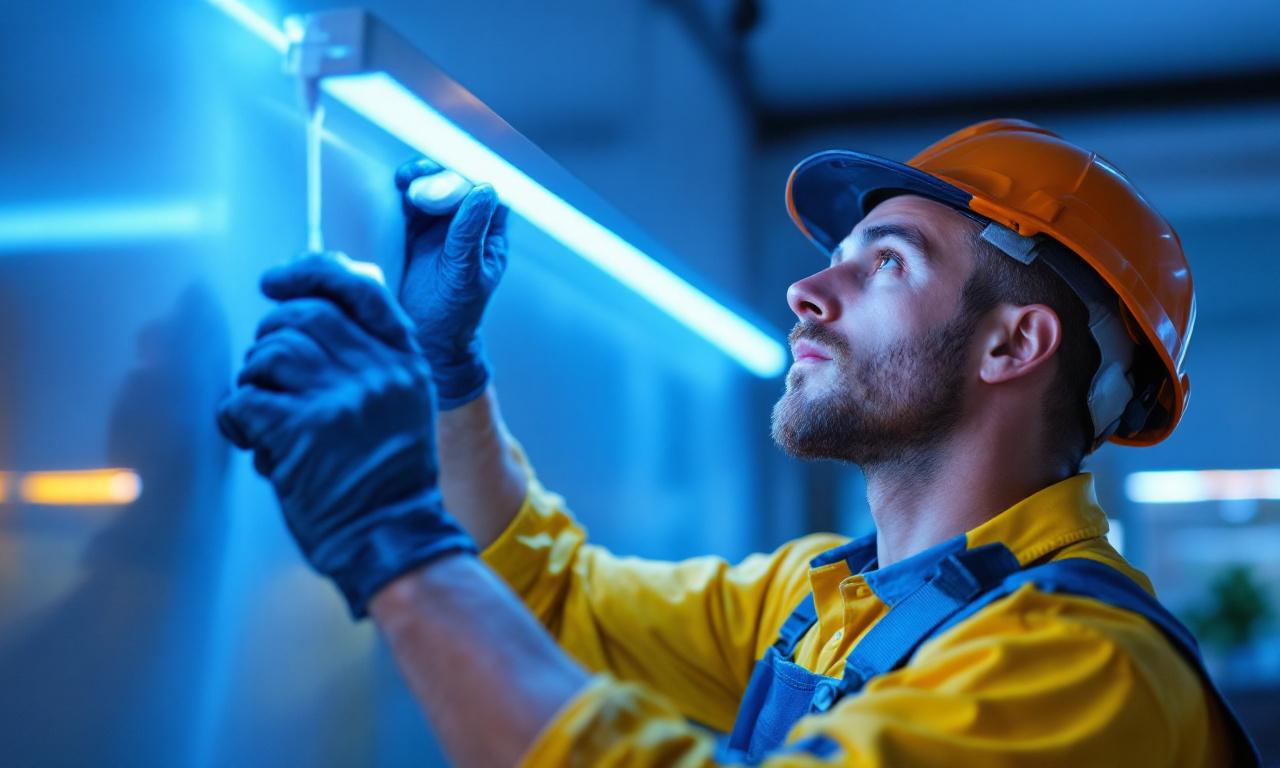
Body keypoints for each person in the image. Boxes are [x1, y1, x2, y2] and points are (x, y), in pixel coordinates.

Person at [216, 119, 1260, 766]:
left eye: (884, 264)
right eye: (834, 259)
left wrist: (396, 546)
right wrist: (449, 384)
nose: (808, 292)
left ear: (1013, 342)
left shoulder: (1082, 666)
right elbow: (560, 604)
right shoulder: (819, 602)